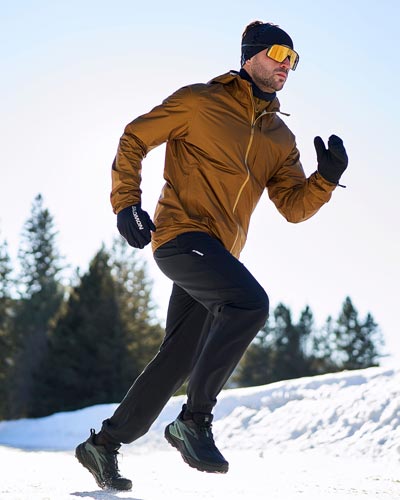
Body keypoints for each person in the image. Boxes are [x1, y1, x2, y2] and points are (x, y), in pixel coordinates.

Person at [75, 20, 348, 491]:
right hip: (181, 236)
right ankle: (195, 419)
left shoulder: (280, 138)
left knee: (178, 358)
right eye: (279, 54)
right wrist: (126, 203)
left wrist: (325, 179)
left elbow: (293, 207)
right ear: (250, 55)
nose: (287, 65)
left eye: (293, 59)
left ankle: (104, 444)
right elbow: (134, 137)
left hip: (217, 254)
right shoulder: (200, 102)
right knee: (249, 303)